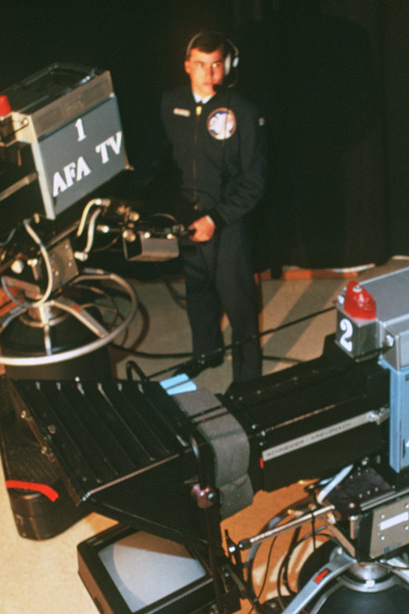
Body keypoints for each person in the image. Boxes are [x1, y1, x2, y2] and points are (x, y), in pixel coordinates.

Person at [133, 30, 268, 382]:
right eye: (200, 65)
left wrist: (218, 218)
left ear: (229, 66)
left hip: (228, 219)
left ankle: (248, 378)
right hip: (188, 214)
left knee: (239, 303)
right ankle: (206, 354)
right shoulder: (171, 102)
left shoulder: (245, 111)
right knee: (198, 293)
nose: (208, 75)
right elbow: (154, 158)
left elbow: (254, 181)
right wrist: (132, 198)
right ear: (186, 66)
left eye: (217, 65)